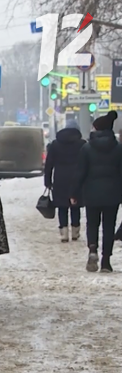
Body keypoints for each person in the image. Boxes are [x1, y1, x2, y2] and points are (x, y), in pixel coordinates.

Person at [71, 111, 122, 273]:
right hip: (113, 194)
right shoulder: (119, 149)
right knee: (109, 226)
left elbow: (80, 172)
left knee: (92, 223)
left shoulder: (86, 148)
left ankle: (92, 249)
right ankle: (106, 261)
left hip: (91, 193)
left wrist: (74, 193)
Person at [44, 120, 85, 242]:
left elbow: (49, 164)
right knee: (75, 205)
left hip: (60, 179)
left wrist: (47, 180)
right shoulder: (82, 144)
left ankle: (64, 233)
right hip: (77, 178)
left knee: (62, 206)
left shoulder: (55, 144)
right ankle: (75, 231)